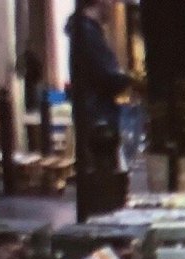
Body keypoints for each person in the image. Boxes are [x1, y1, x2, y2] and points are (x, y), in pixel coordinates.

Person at [67, 0, 138, 220]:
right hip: (99, 119)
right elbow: (108, 76)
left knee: (103, 185)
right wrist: (132, 80)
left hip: (95, 115)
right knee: (105, 188)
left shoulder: (86, 31)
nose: (114, 5)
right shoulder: (87, 33)